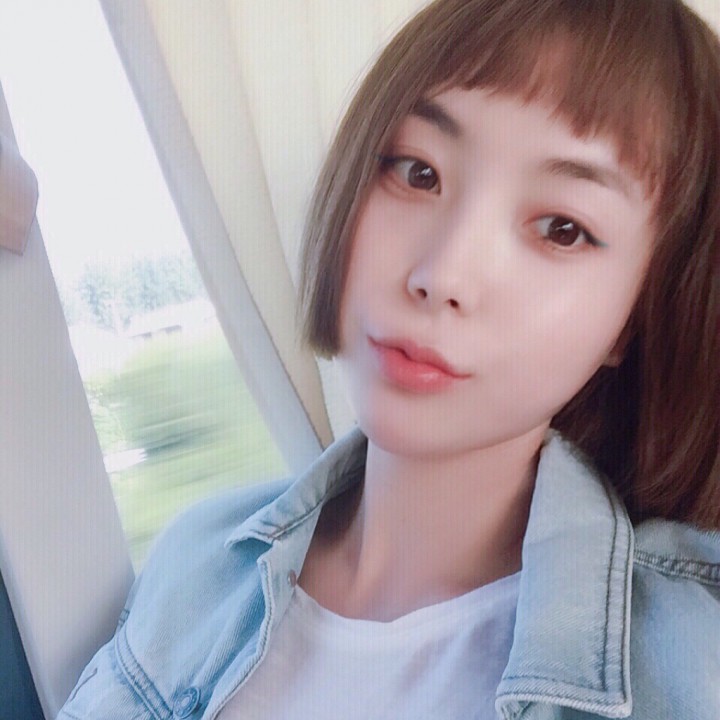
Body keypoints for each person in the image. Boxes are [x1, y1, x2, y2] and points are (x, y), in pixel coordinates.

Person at [58, 0, 720, 718]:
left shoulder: (692, 655)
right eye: (418, 172)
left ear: (636, 315)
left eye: (562, 229)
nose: (443, 273)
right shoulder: (199, 565)